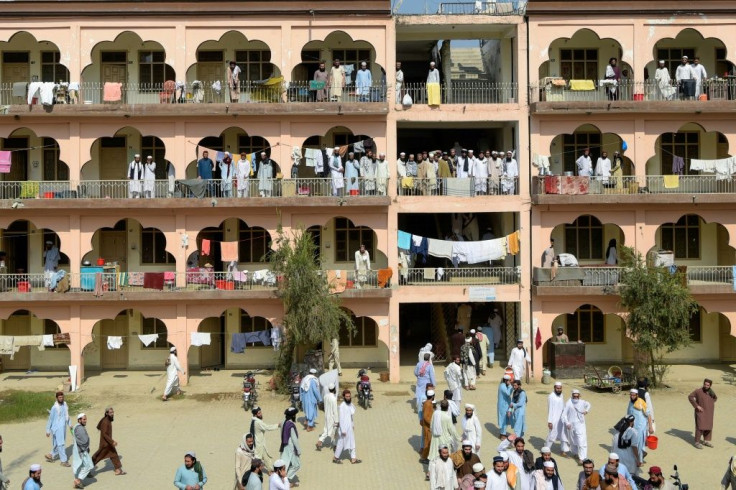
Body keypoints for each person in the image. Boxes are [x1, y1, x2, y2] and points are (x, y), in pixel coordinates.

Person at [91, 406, 125, 476]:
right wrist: (112, 441)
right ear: (106, 413)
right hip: (105, 445)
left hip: (108, 444)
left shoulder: (107, 420)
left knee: (114, 455)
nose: (112, 414)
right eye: (110, 412)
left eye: (113, 412)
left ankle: (118, 470)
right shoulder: (105, 422)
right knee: (97, 457)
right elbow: (104, 434)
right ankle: (86, 470)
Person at [562, 389, 590, 464]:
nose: (575, 398)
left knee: (581, 441)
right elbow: (564, 414)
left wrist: (586, 410)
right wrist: (567, 423)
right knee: (572, 440)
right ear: (572, 396)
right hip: (571, 425)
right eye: (574, 396)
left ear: (579, 396)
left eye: (577, 396)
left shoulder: (582, 402)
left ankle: (582, 458)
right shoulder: (568, 403)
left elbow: (588, 404)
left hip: (580, 424)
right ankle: (575, 453)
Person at [688, 377, 717, 449]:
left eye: (708, 385)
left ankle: (706, 441)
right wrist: (697, 406)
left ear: (710, 386)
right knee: (700, 426)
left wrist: (710, 404)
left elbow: (715, 398)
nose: (706, 386)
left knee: (708, 426)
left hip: (709, 412)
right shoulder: (698, 391)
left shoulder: (711, 392)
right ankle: (697, 442)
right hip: (700, 412)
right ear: (703, 384)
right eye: (705, 384)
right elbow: (690, 397)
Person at [249, 406, 280, 472]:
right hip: (259, 444)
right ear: (255, 414)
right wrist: (277, 425)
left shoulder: (254, 420)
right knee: (258, 460)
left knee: (266, 458)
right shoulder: (258, 422)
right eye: (259, 413)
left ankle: (270, 471)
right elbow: (267, 427)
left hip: (259, 443)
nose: (261, 414)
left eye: (260, 412)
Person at [333, 389, 360, 464]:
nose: (348, 397)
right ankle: (335, 458)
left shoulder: (350, 404)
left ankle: (353, 459)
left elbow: (351, 417)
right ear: (344, 397)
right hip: (344, 429)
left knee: (352, 443)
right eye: (347, 396)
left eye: (349, 396)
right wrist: (343, 430)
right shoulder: (342, 406)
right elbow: (341, 419)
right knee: (341, 443)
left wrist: (352, 425)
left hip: (350, 428)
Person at [45, 391, 71, 466]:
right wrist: (47, 430)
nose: (61, 398)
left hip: (63, 428)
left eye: (62, 397)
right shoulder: (54, 408)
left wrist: (70, 424)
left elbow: (66, 416)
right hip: (56, 429)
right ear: (56, 398)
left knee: (57, 444)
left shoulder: (65, 405)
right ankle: (64, 461)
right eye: (59, 397)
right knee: (61, 444)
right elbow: (50, 419)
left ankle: (51, 455)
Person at [627, 388, 653, 463]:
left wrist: (650, 427)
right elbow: (628, 413)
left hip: (641, 427)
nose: (632, 397)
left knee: (640, 445)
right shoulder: (630, 403)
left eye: (633, 395)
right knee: (633, 444)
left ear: (637, 395)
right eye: (631, 395)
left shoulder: (642, 402)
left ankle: (640, 461)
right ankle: (637, 457)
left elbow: (648, 415)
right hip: (632, 427)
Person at [546, 382, 568, 455]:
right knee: (552, 434)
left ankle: (563, 450)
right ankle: (546, 448)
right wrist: (550, 421)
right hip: (554, 419)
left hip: (561, 418)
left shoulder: (561, 395)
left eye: (560, 388)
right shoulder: (551, 396)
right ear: (554, 388)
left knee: (563, 434)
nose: (559, 390)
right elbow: (550, 409)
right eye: (557, 388)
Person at [72, 413, 94, 489]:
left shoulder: (76, 427)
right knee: (88, 466)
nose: (85, 421)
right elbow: (84, 441)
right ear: (79, 420)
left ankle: (77, 481)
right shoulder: (80, 428)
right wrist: (86, 448)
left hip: (79, 450)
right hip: (82, 451)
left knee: (81, 465)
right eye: (84, 419)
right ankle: (77, 481)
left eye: (86, 419)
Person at [279, 407, 301, 483]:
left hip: (284, 446)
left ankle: (283, 478)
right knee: (296, 465)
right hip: (291, 447)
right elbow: (294, 439)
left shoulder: (283, 422)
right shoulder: (291, 425)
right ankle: (286, 479)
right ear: (293, 416)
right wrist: (298, 450)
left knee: (285, 464)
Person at [316, 382, 338, 451]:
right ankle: (321, 442)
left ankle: (334, 444)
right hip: (332, 417)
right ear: (334, 389)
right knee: (333, 431)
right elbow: (335, 411)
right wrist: (337, 421)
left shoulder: (325, 396)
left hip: (326, 415)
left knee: (327, 429)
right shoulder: (333, 399)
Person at [420, 390, 436, 462]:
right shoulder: (428, 404)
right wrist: (431, 424)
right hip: (428, 427)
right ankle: (424, 457)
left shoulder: (427, 403)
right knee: (427, 442)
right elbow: (426, 417)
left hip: (428, 426)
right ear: (433, 396)